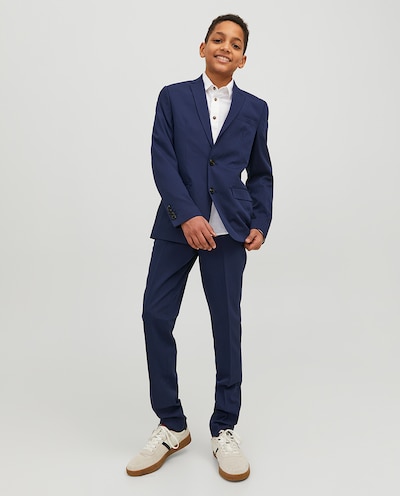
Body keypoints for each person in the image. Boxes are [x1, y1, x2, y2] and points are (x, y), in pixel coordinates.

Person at [126, 13, 273, 482]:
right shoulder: (172, 97)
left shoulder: (255, 109)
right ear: (203, 47)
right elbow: (162, 158)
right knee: (154, 316)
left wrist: (260, 220)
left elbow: (261, 173)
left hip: (229, 232)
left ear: (243, 58)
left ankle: (224, 427)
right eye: (218, 39)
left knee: (226, 329)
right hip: (177, 228)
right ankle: (171, 424)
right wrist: (187, 215)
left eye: (235, 43)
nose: (225, 47)